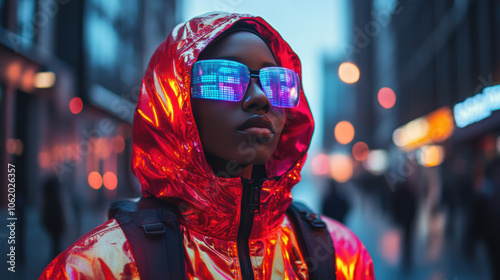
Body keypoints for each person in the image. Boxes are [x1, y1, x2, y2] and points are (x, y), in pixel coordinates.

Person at [40, 12, 374, 279]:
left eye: (277, 82)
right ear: (177, 101)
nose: (259, 98)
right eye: (225, 78)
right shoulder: (99, 268)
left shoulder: (342, 255)